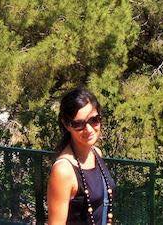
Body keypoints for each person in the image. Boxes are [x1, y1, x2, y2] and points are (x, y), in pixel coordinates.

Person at [47, 87, 115, 225]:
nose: (89, 129)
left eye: (94, 120)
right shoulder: (63, 171)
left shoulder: (97, 153)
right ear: (67, 124)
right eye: (79, 124)